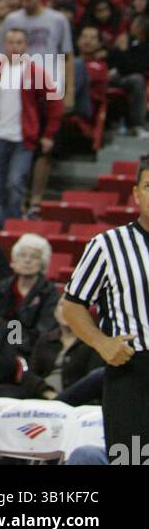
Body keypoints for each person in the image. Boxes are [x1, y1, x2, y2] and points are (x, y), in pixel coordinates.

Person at [62, 157, 149, 463]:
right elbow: (72, 305)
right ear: (136, 193)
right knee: (133, 461)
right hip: (134, 373)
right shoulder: (107, 245)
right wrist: (102, 343)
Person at [0, 27, 62, 229]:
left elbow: (55, 103)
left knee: (14, 185)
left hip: (23, 139)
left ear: (26, 46)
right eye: (10, 43)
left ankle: (13, 230)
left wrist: (49, 135)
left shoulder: (36, 72)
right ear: (4, 45)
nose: (14, 47)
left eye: (19, 43)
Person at [0, 0, 74, 212]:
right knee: (20, 141)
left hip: (49, 84)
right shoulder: (12, 19)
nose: (25, 3)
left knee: (45, 146)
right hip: (18, 88)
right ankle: (17, 199)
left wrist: (68, 91)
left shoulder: (57, 20)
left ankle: (37, 200)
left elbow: (67, 56)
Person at [0, 235, 59, 360]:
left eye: (34, 257)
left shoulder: (50, 293)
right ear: (14, 259)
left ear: (42, 263)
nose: (27, 260)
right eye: (23, 255)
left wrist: (15, 345)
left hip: (32, 353)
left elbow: (44, 331)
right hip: (0, 348)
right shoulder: (1, 288)